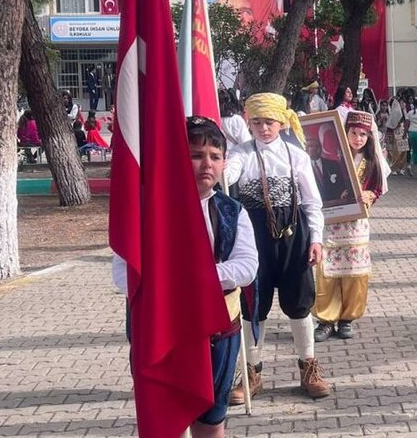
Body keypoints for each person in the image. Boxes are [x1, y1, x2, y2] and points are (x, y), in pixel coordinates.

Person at [113, 116, 259, 438]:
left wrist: (189, 280)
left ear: (224, 162)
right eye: (196, 155)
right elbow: (122, 270)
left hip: (217, 330)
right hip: (160, 329)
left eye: (215, 156)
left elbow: (247, 266)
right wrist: (161, 291)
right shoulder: (147, 210)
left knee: (211, 421)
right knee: (166, 420)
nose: (206, 163)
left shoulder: (233, 212)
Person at [224, 93, 329, 403]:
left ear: (282, 123)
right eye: (256, 122)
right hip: (253, 241)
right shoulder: (240, 154)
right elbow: (227, 176)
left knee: (299, 304)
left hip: (293, 238)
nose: (263, 128)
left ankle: (308, 367)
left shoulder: (296, 156)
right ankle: (252, 372)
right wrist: (217, 170)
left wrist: (316, 239)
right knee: (252, 306)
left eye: (268, 122)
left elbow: (312, 201)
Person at [313, 111, 387, 342]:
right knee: (328, 271)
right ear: (344, 133)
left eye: (363, 134)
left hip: (356, 226)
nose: (358, 138)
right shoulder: (332, 158)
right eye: (354, 133)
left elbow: (377, 189)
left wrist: (369, 195)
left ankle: (347, 318)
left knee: (355, 272)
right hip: (332, 224)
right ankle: (325, 320)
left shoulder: (373, 160)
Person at [219, 88, 252, 153]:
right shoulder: (236, 120)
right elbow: (246, 143)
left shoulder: (213, 119)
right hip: (234, 157)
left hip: (218, 157)